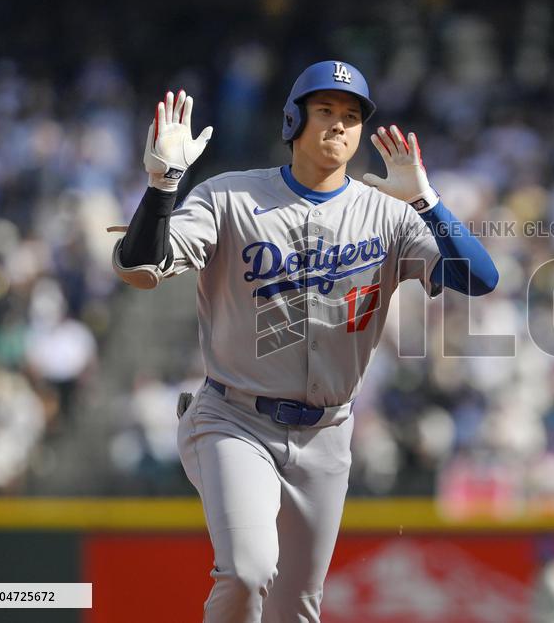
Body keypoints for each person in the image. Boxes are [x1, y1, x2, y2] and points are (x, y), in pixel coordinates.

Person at [109, 60, 498, 623]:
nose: (339, 124)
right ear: (293, 120)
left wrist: (427, 201)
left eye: (351, 116)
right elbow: (139, 268)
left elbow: (480, 278)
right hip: (235, 419)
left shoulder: (389, 215)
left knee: (296, 609)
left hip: (328, 433)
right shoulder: (230, 196)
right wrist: (163, 185)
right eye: (325, 110)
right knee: (248, 571)